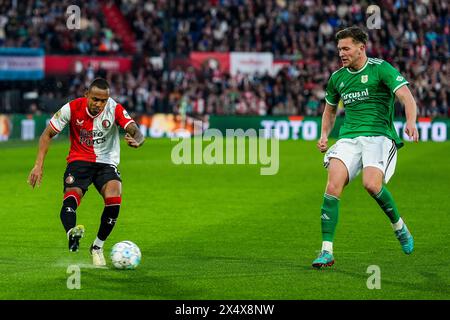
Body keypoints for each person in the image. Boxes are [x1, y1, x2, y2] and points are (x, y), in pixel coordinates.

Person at [312, 27, 419, 269]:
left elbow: (406, 96)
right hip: (349, 138)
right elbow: (329, 111)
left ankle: (399, 226)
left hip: (379, 137)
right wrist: (324, 135)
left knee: (371, 185)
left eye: (346, 48)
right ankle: (326, 251)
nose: (341, 53)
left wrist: (410, 121)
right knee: (332, 185)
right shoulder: (337, 78)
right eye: (339, 49)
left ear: (362, 47)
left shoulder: (380, 68)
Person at [28, 78, 145, 267]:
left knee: (115, 195)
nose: (99, 104)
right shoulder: (72, 108)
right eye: (95, 99)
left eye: (103, 100)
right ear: (86, 95)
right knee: (71, 198)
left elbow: (134, 129)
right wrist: (38, 165)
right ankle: (71, 235)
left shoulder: (114, 108)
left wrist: (139, 139)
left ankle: (97, 247)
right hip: (79, 161)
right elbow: (47, 134)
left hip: (106, 162)